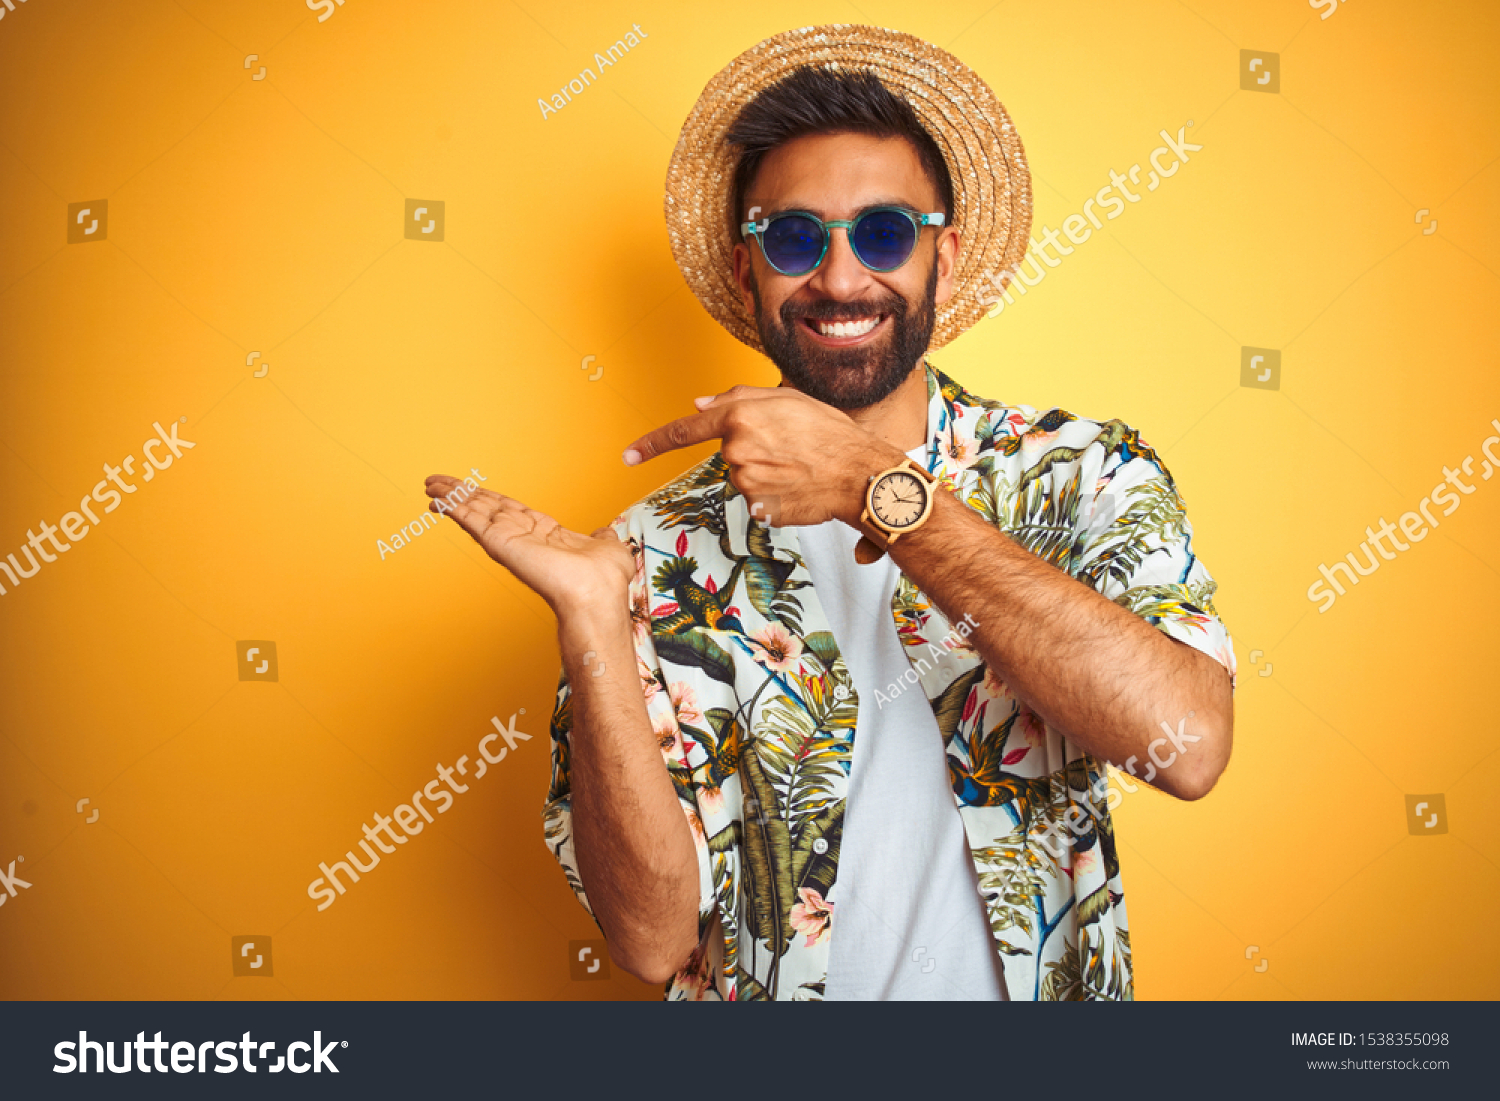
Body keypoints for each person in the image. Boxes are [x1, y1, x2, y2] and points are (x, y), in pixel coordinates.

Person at [425, 24, 1236, 1001]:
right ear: (745, 271)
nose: (844, 279)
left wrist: (873, 491)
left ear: (944, 254)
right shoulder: (644, 557)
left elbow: (1188, 747)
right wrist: (592, 619)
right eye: (797, 237)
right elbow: (651, 942)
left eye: (886, 232)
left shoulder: (1083, 475)